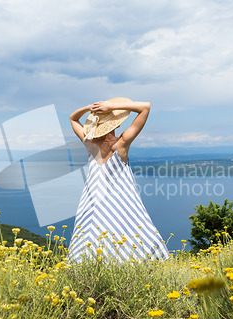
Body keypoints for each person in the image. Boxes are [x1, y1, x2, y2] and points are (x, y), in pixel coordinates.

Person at [66, 97, 170, 264]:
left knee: (90, 237)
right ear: (115, 125)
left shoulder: (89, 144)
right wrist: (112, 106)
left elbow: (72, 118)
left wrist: (89, 108)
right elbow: (145, 107)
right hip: (121, 201)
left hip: (92, 200)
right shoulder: (120, 146)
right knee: (129, 233)